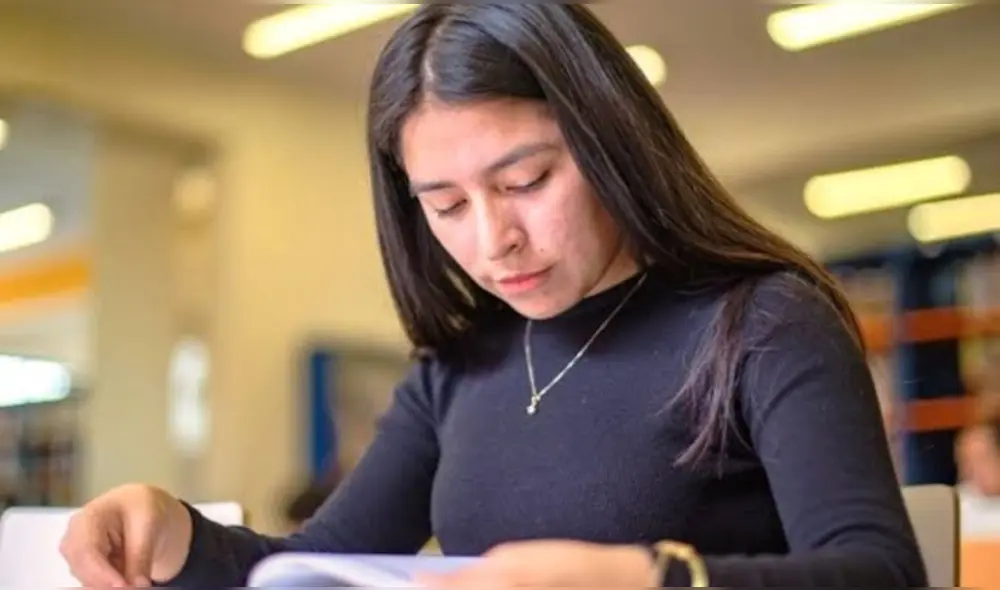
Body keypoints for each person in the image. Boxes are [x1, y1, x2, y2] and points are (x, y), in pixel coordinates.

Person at [58, 5, 926, 588]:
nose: (491, 239)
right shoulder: (457, 366)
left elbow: (878, 571)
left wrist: (642, 578)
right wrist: (176, 535)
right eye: (445, 205)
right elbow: (317, 564)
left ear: (613, 144)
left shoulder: (763, 322)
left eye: (526, 181)